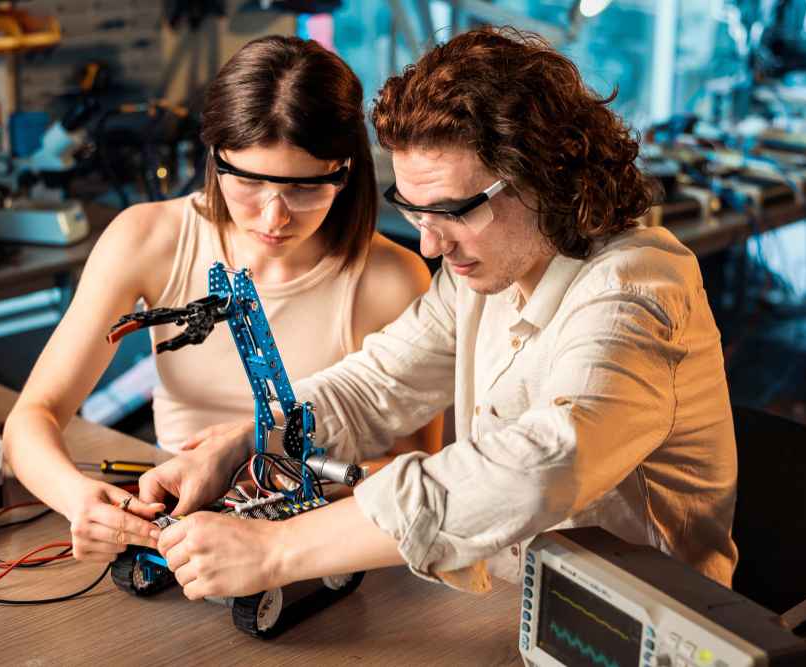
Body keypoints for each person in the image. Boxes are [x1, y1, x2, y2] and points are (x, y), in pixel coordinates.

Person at [146, 27, 738, 600]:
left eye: (453, 210)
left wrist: (276, 551)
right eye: (417, 212)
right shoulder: (482, 278)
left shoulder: (638, 288)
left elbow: (543, 464)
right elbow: (376, 384)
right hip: (503, 609)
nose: (430, 245)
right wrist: (250, 439)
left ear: (546, 176)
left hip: (633, 628)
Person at [2, 35, 437, 564]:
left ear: (344, 172)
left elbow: (416, 471)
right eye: (250, 183)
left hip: (323, 544)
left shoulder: (392, 278)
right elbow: (32, 417)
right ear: (216, 157)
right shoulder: (147, 238)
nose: (274, 217)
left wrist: (268, 517)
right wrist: (78, 500)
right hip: (181, 529)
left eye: (304, 189)